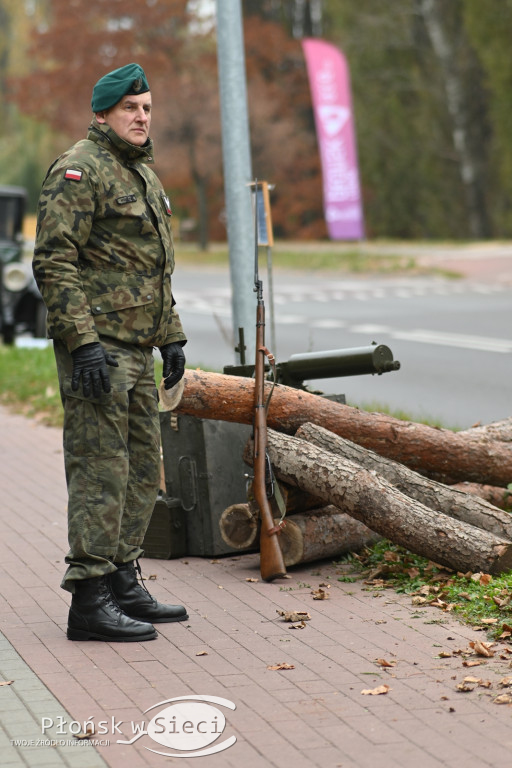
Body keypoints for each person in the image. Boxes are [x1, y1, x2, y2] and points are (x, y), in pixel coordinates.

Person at [33, 63, 189, 642]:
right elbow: (54, 262)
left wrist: (170, 333)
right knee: (101, 471)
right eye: (130, 108)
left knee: (144, 467)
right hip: (97, 350)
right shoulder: (80, 170)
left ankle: (123, 578)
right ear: (103, 113)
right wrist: (83, 344)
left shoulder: (142, 173)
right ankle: (90, 600)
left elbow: (150, 270)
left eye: (147, 107)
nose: (142, 116)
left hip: (137, 349)